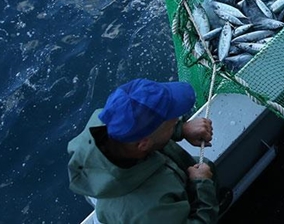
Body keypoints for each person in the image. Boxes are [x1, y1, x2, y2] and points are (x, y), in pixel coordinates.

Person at [67, 78, 219, 223]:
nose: (176, 119)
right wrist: (202, 186)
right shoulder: (148, 211)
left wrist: (181, 129)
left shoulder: (109, 122)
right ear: (143, 144)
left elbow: (144, 128)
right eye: (171, 122)